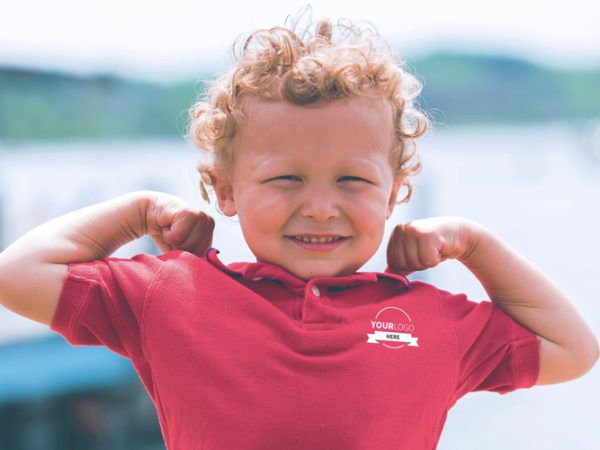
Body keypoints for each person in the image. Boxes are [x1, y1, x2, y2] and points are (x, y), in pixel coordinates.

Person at [0, 9, 598, 450]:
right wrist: (135, 211)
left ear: (395, 193)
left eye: (352, 181)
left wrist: (476, 244)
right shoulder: (170, 294)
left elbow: (574, 350)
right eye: (286, 178)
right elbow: (16, 275)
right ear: (226, 190)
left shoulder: (432, 319)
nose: (319, 207)